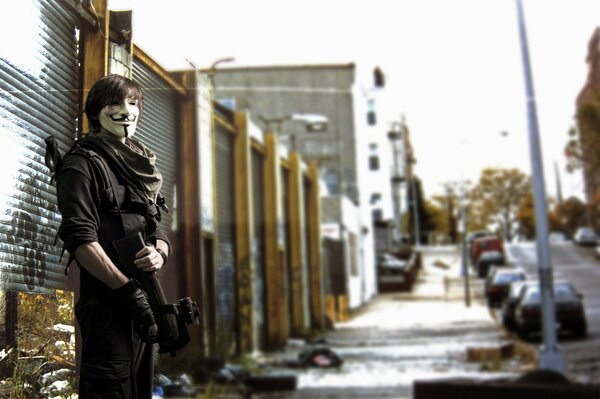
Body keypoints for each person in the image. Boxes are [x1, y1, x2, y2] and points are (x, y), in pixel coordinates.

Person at [56, 74, 170, 398]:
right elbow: (80, 239)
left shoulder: (135, 169)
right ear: (96, 112)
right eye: (115, 103)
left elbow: (156, 228)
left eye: (133, 103)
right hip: (108, 308)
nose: (126, 111)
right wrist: (127, 291)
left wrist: (159, 252)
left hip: (144, 303)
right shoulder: (81, 164)